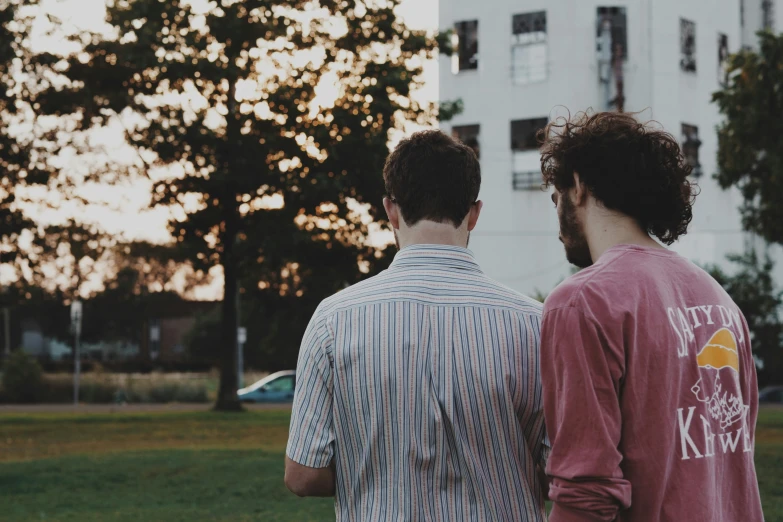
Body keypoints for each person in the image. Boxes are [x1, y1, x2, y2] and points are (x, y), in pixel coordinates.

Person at [285, 130, 549, 521]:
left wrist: (378, 473)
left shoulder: (334, 320)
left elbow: (304, 476)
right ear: (474, 213)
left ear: (391, 210)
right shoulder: (536, 322)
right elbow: (564, 470)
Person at [538, 112, 764, 522]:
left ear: (578, 186)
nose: (556, 223)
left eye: (555, 198)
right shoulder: (719, 300)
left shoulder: (582, 301)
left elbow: (586, 492)